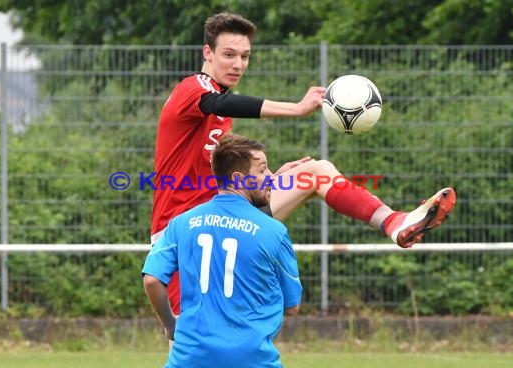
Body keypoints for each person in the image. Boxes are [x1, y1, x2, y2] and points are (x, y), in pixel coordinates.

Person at [150, 12, 457, 315]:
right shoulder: (194, 89)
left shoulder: (216, 113)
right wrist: (297, 108)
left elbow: (224, 175)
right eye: (229, 54)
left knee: (316, 173)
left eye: (245, 56)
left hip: (223, 221)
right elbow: (221, 102)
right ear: (208, 52)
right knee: (187, 350)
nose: (238, 64)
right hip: (182, 234)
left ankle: (394, 222)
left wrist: (268, 179)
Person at [143, 133, 302, 368]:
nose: (271, 176)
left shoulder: (182, 223)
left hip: (190, 365)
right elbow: (291, 306)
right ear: (239, 179)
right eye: (262, 171)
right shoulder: (274, 232)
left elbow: (152, 280)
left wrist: (170, 325)